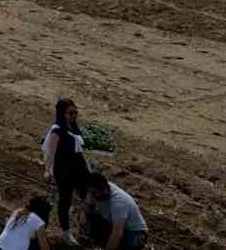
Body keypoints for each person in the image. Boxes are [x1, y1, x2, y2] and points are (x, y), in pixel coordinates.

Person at [42, 98, 90, 243]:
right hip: (64, 170)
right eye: (70, 113)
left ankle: (84, 228)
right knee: (65, 201)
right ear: (62, 113)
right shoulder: (57, 130)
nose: (74, 115)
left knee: (87, 197)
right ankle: (66, 233)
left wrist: (87, 166)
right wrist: (47, 170)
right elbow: (50, 153)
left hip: (79, 168)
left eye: (76, 112)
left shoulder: (74, 128)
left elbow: (80, 151)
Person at [84, 171, 149, 249]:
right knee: (91, 215)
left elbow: (117, 233)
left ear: (104, 189)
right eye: (90, 192)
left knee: (125, 243)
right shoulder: (96, 189)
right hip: (113, 223)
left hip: (135, 233)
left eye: (94, 193)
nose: (91, 195)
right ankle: (99, 242)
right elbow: (87, 207)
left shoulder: (119, 202)